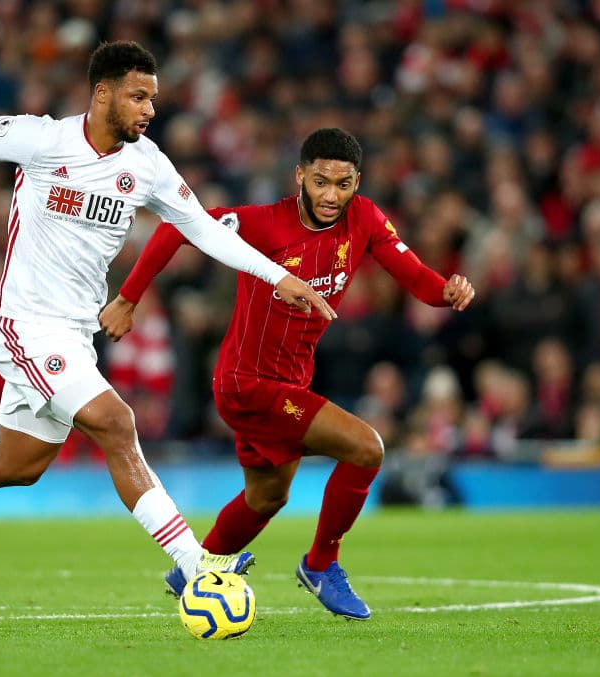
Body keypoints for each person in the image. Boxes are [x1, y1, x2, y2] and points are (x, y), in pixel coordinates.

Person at [0, 41, 333, 589]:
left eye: (154, 99)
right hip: (23, 325)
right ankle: (197, 564)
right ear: (102, 93)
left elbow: (200, 227)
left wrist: (279, 276)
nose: (150, 109)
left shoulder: (147, 166)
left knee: (18, 464)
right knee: (116, 423)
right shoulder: (45, 139)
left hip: (74, 335)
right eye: (138, 97)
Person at [99, 128, 475, 619]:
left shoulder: (363, 219)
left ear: (357, 182)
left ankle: (194, 567)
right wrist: (128, 298)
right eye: (320, 182)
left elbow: (413, 276)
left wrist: (446, 291)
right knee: (366, 448)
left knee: (267, 494)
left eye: (343, 184)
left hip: (290, 383)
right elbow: (176, 226)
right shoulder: (263, 224)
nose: (331, 195)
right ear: (300, 176)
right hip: (247, 384)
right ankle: (320, 565)